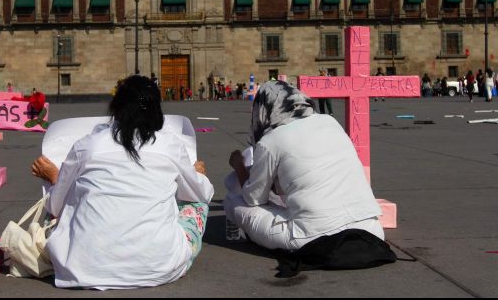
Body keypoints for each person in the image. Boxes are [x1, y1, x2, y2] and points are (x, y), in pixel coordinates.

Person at [30, 75, 214, 290]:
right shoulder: (169, 145)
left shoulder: (87, 145)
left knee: (62, 208)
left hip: (81, 268)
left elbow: (55, 207)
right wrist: (197, 175)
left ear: (116, 107)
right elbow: (200, 194)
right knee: (196, 204)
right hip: (159, 266)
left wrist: (55, 178)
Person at [223, 80, 385, 253]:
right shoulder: (330, 122)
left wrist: (239, 165)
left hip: (313, 238)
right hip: (372, 232)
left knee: (234, 201)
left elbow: (254, 199)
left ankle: (249, 234)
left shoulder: (270, 141)